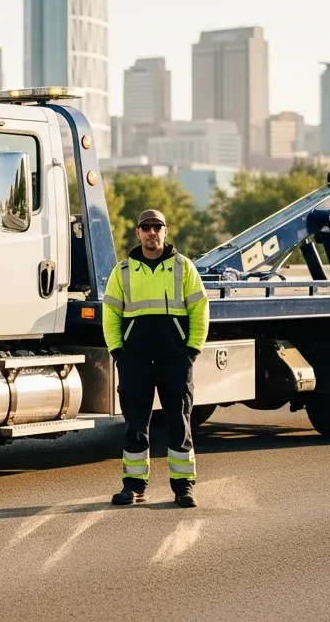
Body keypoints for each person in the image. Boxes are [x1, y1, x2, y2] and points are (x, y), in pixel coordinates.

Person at [102, 209, 211, 508]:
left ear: (166, 231)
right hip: (135, 361)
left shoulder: (183, 267)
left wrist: (191, 351)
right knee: (135, 425)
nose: (152, 232)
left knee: (179, 422)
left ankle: (183, 488)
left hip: (175, 359)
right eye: (146, 227)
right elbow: (110, 313)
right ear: (138, 233)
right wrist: (117, 353)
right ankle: (133, 487)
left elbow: (200, 310)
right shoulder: (122, 271)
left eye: (157, 227)